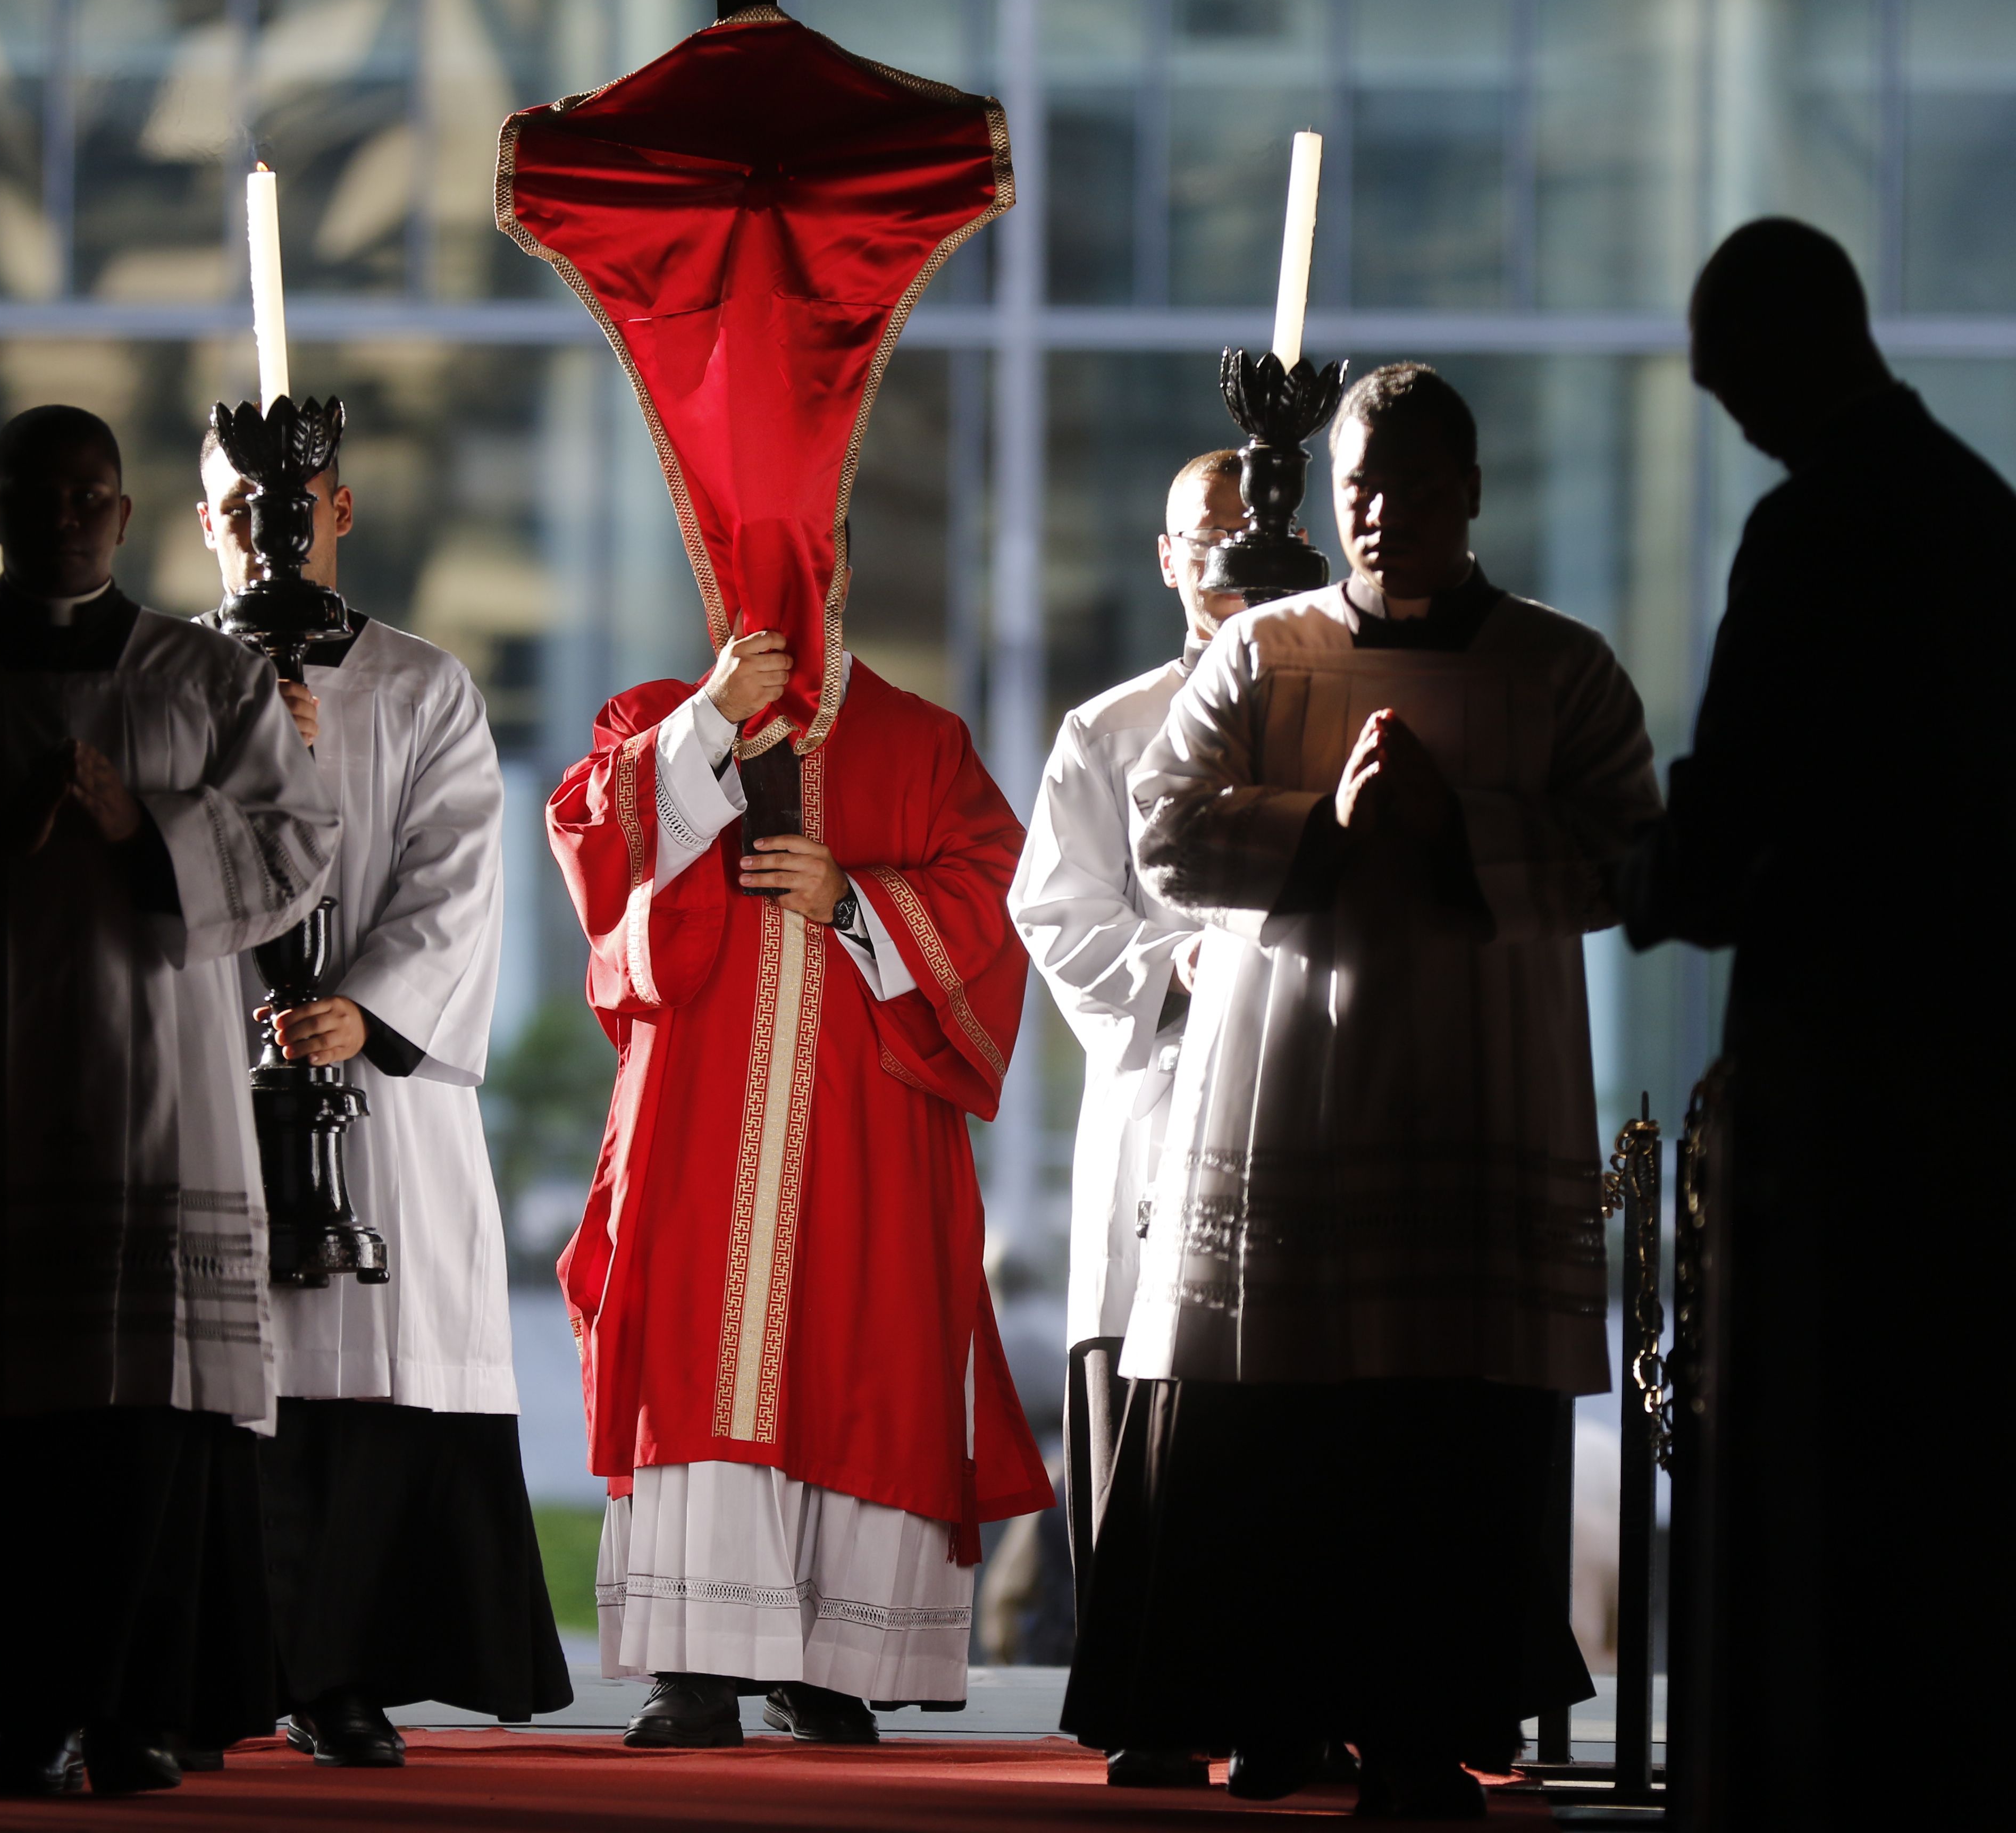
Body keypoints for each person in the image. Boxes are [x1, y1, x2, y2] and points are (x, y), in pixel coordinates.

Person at [1065, 364, 1659, 1818]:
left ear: (1470, 489)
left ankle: (1417, 1730)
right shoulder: (1264, 657)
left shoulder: (1559, 668)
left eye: (1406, 485)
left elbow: (1634, 856)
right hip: (1293, 1095)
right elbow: (1163, 843)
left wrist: (1458, 831)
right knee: (1288, 1425)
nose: (1378, 514)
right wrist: (1326, 825)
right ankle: (1275, 1717)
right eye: (1355, 490)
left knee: (1439, 1434)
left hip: (1479, 1088)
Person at [0, 405, 339, 1796]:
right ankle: (20, 1710)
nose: (70, 515)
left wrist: (137, 826)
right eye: (42, 494)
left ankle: (132, 1708)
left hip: (155, 1091)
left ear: (127, 516)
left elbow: (297, 846)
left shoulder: (203, 677)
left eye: (94, 493)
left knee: (135, 1419)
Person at [1616, 219, 2016, 1832]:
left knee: (1834, 1452)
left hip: (1846, 1056)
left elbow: (1745, 792)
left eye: (1725, 367)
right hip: (1985, 1031)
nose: (1716, 396)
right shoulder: (1991, 521)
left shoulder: (1815, 530)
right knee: (1962, 1461)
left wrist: (1638, 868)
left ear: (1784, 347)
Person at [551, 628, 1054, 1748]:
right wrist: (709, 726)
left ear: (842, 572)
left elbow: (1000, 890)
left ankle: (835, 1660)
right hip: (694, 1117)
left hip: (864, 1122)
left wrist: (854, 899)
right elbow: (600, 855)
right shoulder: (652, 721)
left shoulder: (922, 745)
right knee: (694, 1347)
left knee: (856, 1347)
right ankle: (693, 1665)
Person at [193, 412, 570, 1764]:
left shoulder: (422, 687)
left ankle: (341, 1670)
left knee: (363, 1389)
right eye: (238, 508)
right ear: (205, 527)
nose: (264, 531)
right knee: (219, 1392)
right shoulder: (168, 678)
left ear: (338, 512)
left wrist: (371, 1008)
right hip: (209, 1070)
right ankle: (211, 1667)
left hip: (380, 1090)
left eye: (288, 506)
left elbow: (458, 872)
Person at [1010, 449, 1250, 1786]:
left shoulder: (1331, 698)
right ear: (1164, 558)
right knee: (1148, 1410)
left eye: (1240, 529)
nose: (1219, 555)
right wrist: (1176, 964)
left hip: (1295, 1114)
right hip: (1160, 1106)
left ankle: (1292, 1698)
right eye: (1196, 536)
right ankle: (1154, 1703)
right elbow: (1052, 913)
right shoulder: (1106, 730)